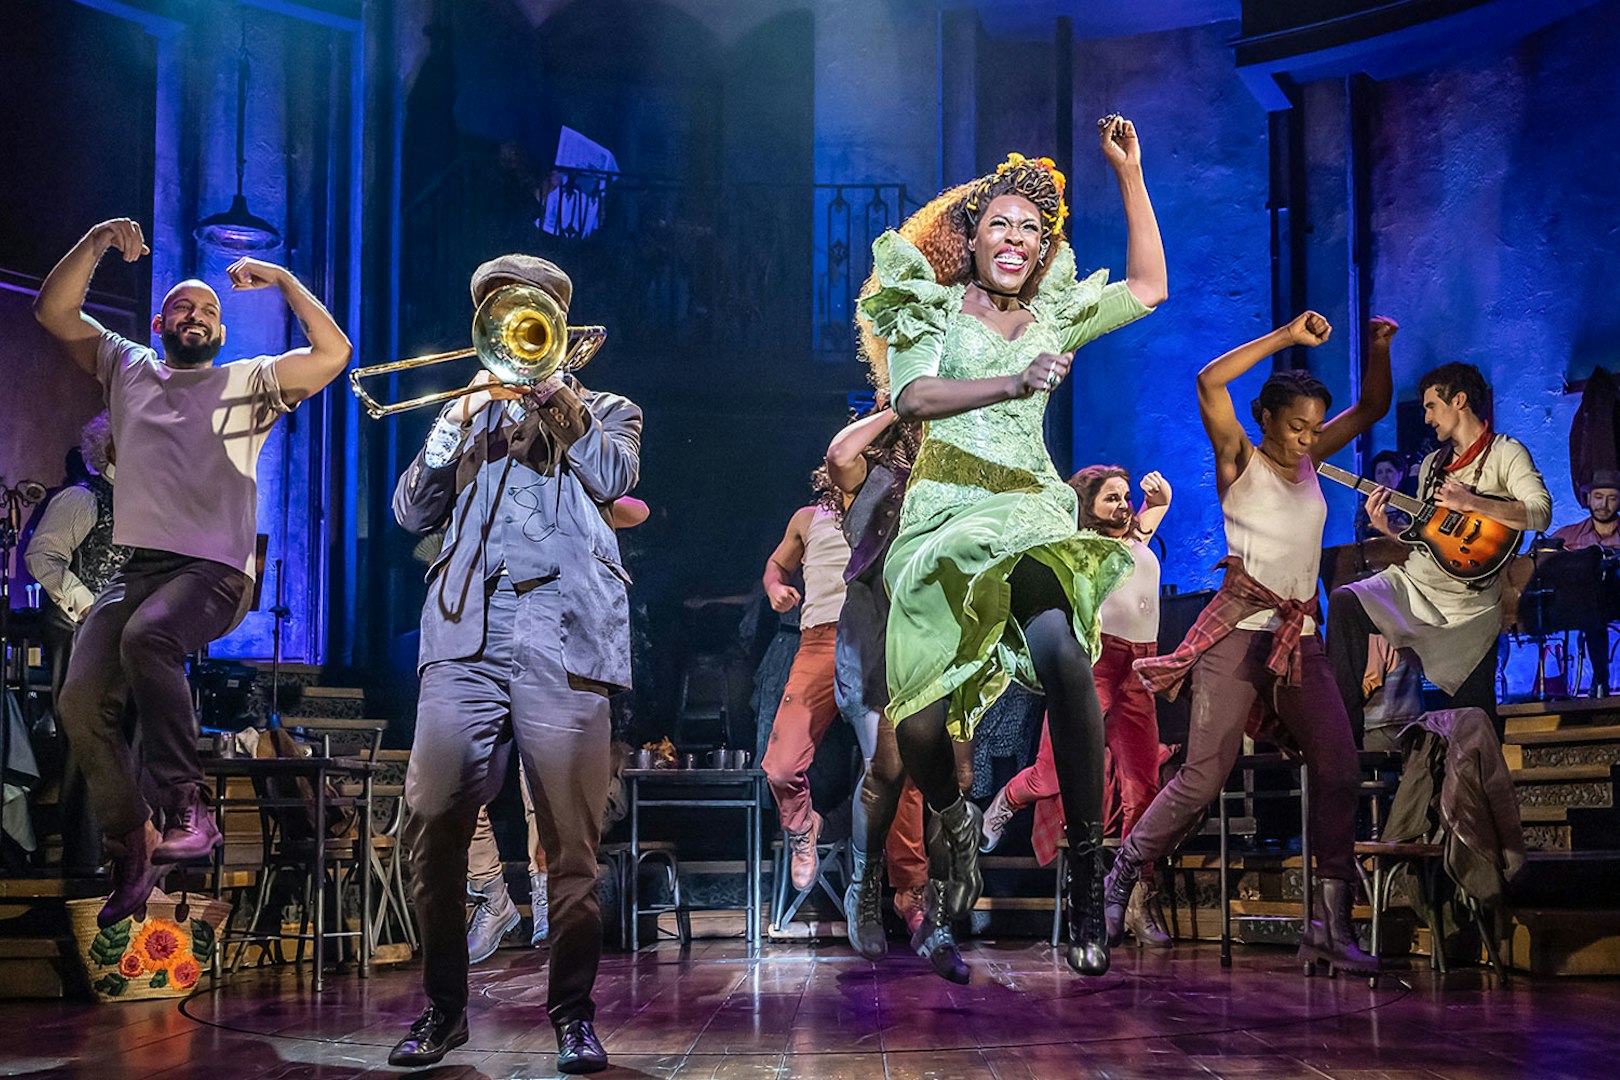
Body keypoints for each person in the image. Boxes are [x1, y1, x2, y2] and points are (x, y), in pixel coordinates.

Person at [858, 120, 1167, 982]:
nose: (1017, 238)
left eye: (1033, 230)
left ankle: (1084, 866)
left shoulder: (1056, 316)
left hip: (1026, 506)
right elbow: (914, 395)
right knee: (917, 725)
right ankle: (956, 817)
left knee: (1066, 655)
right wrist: (1014, 380)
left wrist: (1130, 174)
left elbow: (1148, 286)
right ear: (973, 235)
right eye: (1002, 223)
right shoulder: (931, 304)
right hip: (943, 514)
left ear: (1042, 249)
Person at [33, 218, 352, 927]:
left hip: (214, 571)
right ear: (159, 321)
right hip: (139, 568)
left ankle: (186, 806)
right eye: (184, 306)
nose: (198, 315)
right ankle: (133, 843)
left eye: (209, 309)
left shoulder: (251, 382)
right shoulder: (126, 366)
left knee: (149, 637)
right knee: (80, 701)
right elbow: (52, 311)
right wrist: (91, 242)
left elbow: (334, 352)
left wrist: (283, 281)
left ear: (222, 329)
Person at [389, 255, 638, 1074]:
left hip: (565, 635)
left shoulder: (605, 409)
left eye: (528, 316)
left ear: (559, 326)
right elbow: (408, 512)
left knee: (570, 846)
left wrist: (552, 396)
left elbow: (613, 474)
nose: (515, 329)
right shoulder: (465, 418)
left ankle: (571, 1012)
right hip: (465, 634)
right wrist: (449, 429)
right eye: (500, 314)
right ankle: (444, 1007)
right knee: (431, 818)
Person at [1105, 312, 1395, 978]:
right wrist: (1287, 337)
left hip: (1301, 637)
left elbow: (1375, 404)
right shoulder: (1240, 459)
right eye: (1296, 425)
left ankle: (1329, 925)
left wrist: (1377, 345)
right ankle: (1123, 871)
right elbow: (1209, 380)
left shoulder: (1313, 460)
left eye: (1315, 427)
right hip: (1239, 633)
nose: (1307, 437)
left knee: (1341, 768)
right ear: (1265, 417)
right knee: (1204, 775)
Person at [981, 465, 1173, 948]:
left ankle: (1130, 897)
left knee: (1142, 788)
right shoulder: (1081, 549)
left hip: (1140, 669)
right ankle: (1009, 798)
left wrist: (1160, 498)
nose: (1124, 505)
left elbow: (1154, 513)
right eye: (1112, 498)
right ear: (1087, 507)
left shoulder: (1137, 542)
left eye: (1126, 497)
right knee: (1050, 775)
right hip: (1099, 662)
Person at [463, 496, 648, 963]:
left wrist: (566, 491)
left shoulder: (565, 487)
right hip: (485, 636)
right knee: (458, 782)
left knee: (542, 790)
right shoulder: (491, 482)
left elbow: (635, 510)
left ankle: (546, 898)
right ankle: (490, 892)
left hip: (550, 643)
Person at [1329, 362, 1552, 741]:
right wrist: (1389, 528)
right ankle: (1343, 744)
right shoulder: (1432, 465)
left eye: (1432, 406)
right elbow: (1429, 537)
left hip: (1470, 607)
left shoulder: (1506, 453)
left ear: (1459, 400)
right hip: (1417, 584)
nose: (1427, 417)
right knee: (1345, 602)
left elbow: (1540, 513)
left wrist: (1472, 502)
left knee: (1472, 719)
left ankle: (1480, 793)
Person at [825, 404, 932, 957]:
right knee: (887, 768)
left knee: (938, 774)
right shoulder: (871, 476)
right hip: (872, 634)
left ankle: (919, 890)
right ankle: (869, 889)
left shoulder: (941, 477)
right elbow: (840, 453)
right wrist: (901, 401)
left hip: (928, 634)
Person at [25, 412, 130, 877]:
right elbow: (42, 555)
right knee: (87, 748)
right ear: (109, 449)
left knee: (125, 748)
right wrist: (87, 606)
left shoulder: (147, 506)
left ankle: (123, 859)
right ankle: (83, 863)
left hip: (127, 641)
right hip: (81, 635)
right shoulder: (81, 498)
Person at [759, 470, 855, 891]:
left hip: (876, 641)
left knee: (899, 769)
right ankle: (802, 829)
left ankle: (908, 883)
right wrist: (775, 586)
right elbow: (777, 564)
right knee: (780, 767)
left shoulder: (893, 509)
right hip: (818, 641)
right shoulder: (808, 518)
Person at [1550, 470, 1620, 695]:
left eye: (1612, 498)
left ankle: (1600, 681)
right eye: (1598, 497)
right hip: (1581, 607)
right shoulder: (1567, 536)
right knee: (1591, 602)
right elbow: (1541, 559)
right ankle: (1600, 679)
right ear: (1588, 499)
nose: (1604, 504)